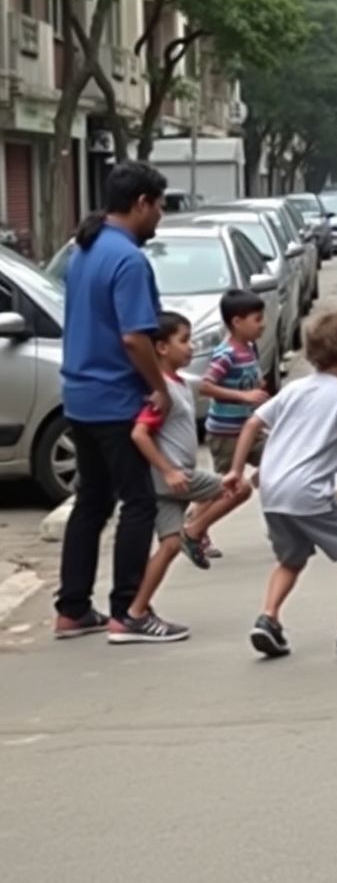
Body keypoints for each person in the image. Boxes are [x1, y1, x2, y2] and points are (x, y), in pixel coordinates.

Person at [225, 311, 337, 659]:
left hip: (272, 491)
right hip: (307, 491)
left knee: (292, 559)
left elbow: (252, 424)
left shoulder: (295, 388)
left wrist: (236, 471)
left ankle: (268, 618)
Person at [55, 161, 169, 642]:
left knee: (92, 502)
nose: (160, 216)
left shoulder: (85, 248)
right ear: (142, 203)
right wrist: (158, 386)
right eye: (159, 206)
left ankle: (73, 608)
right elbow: (134, 339)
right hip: (116, 398)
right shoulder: (128, 260)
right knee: (139, 503)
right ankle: (129, 609)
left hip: (79, 396)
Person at [125, 313, 253, 641]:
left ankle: (135, 613)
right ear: (161, 348)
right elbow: (140, 434)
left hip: (171, 482)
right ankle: (194, 532)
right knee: (238, 487)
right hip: (175, 476)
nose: (191, 347)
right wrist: (168, 470)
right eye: (183, 340)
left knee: (167, 547)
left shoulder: (179, 384)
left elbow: (209, 386)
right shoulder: (162, 390)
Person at [200, 289, 270, 489]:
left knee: (277, 457)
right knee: (225, 486)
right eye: (257, 319)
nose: (263, 324)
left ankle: (253, 483)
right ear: (237, 322)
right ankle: (196, 513)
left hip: (250, 429)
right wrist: (244, 396)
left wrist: (258, 387)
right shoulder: (226, 354)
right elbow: (205, 386)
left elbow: (247, 379)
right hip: (226, 434)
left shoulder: (249, 348)